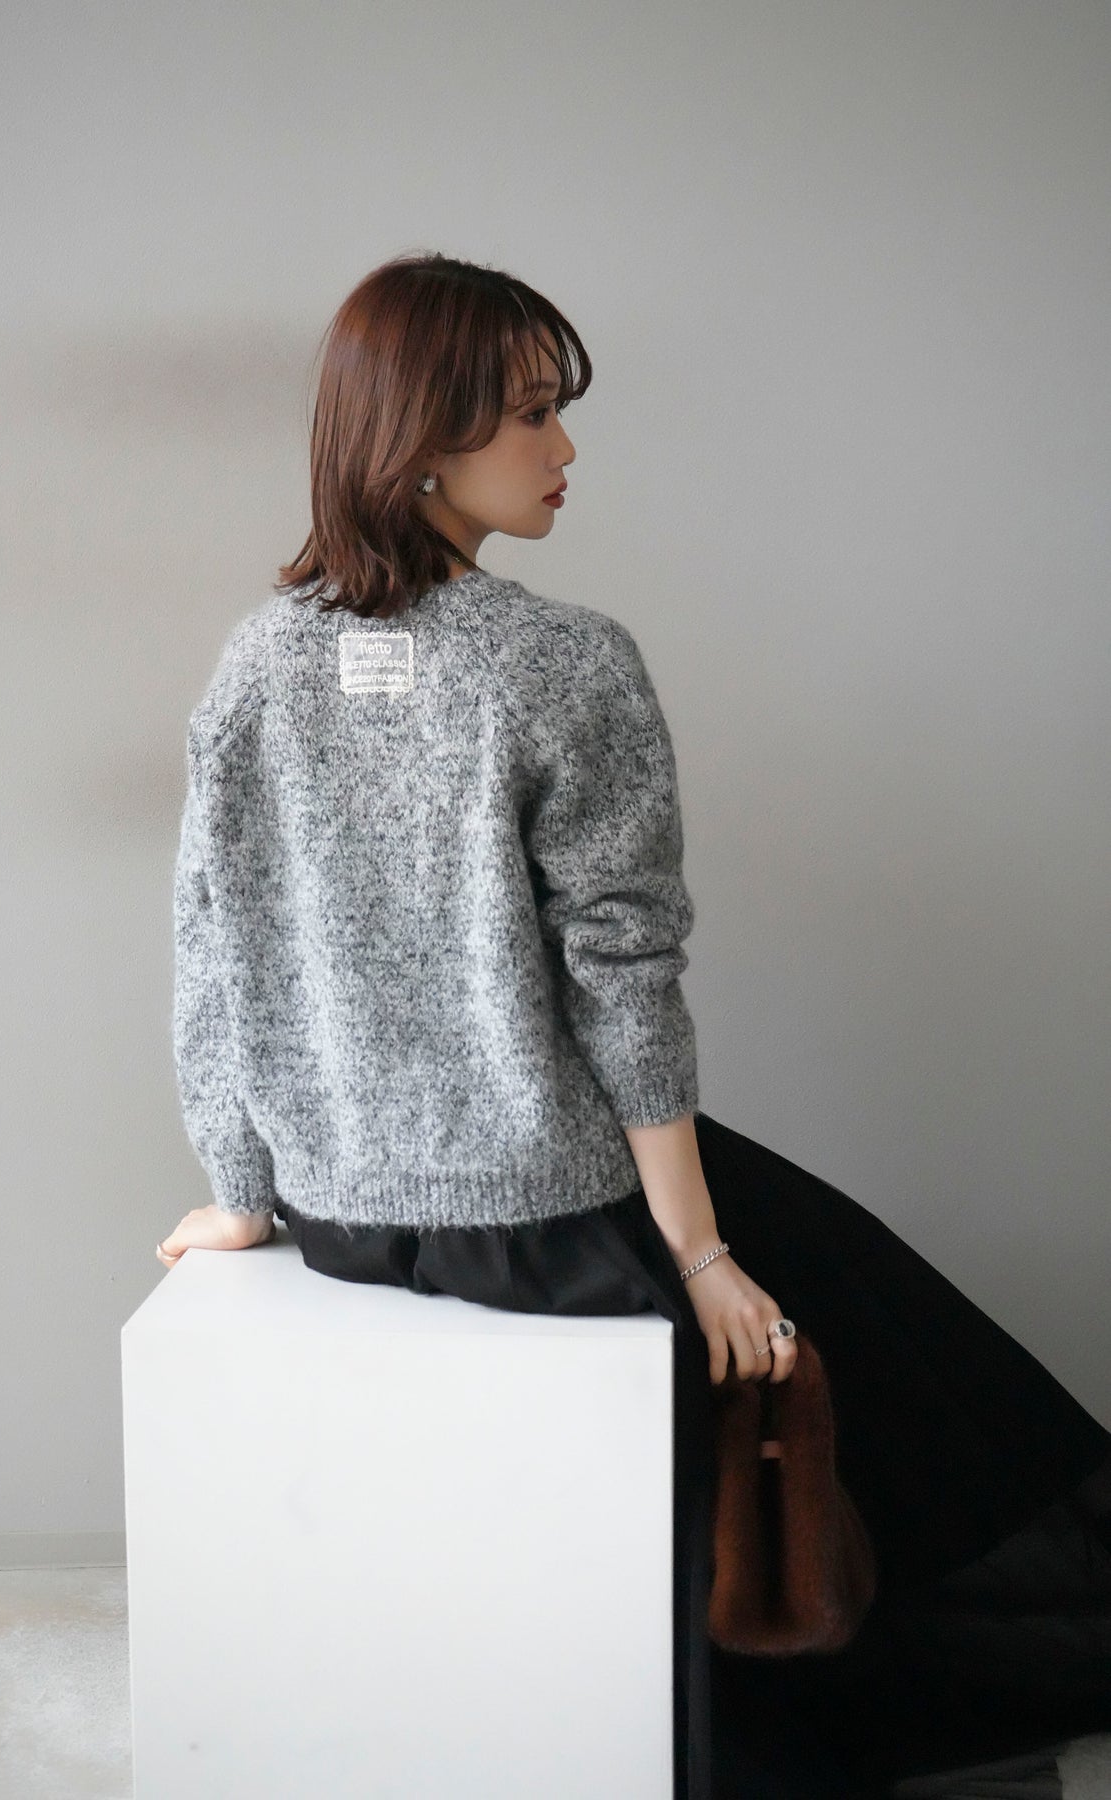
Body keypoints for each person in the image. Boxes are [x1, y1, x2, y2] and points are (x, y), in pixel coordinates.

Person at [157, 252, 1111, 1800]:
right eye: (531, 414)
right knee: (873, 1335)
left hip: (344, 1216)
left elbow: (213, 951)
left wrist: (243, 1194)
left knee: (815, 1254)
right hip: (537, 1212)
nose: (565, 450)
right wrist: (699, 1250)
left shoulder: (259, 660)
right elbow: (624, 973)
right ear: (422, 440)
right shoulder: (565, 661)